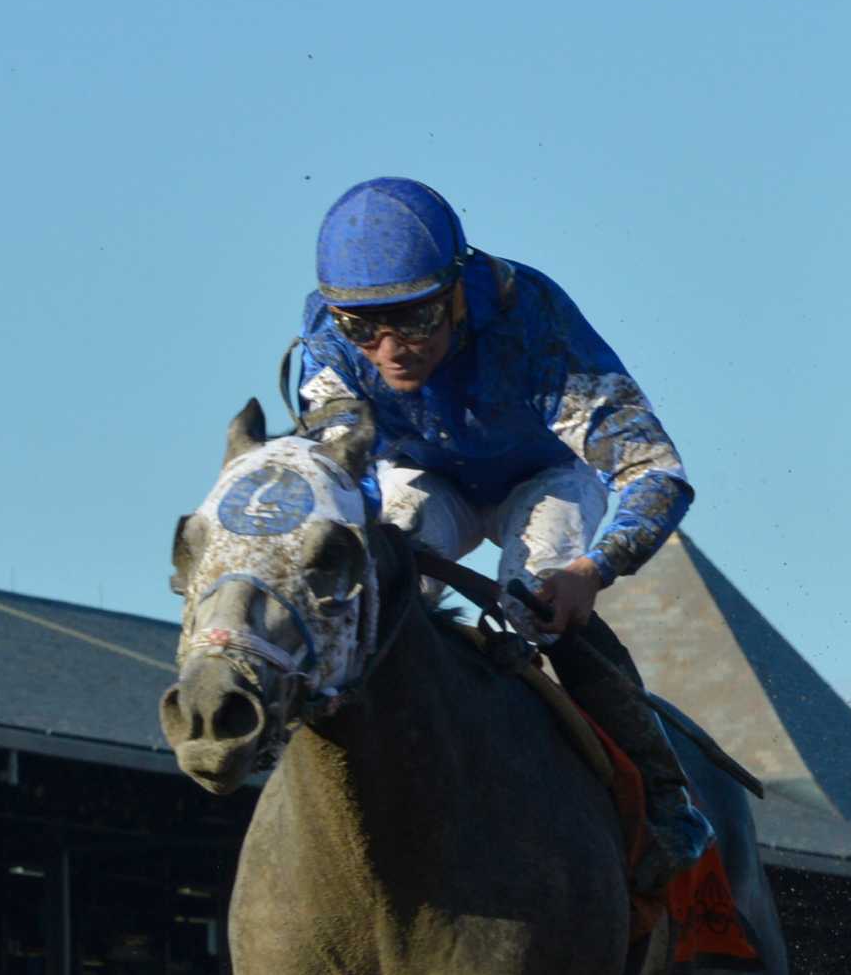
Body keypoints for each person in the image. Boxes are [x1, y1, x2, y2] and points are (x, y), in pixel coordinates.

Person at [290, 177, 709, 890]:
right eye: (367, 328)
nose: (390, 350)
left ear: (458, 290)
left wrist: (593, 572)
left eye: (415, 321)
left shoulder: (532, 318)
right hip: (426, 479)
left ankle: (665, 794)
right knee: (377, 567)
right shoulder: (330, 335)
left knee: (533, 594)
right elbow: (333, 477)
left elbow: (656, 474)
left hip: (542, 478)